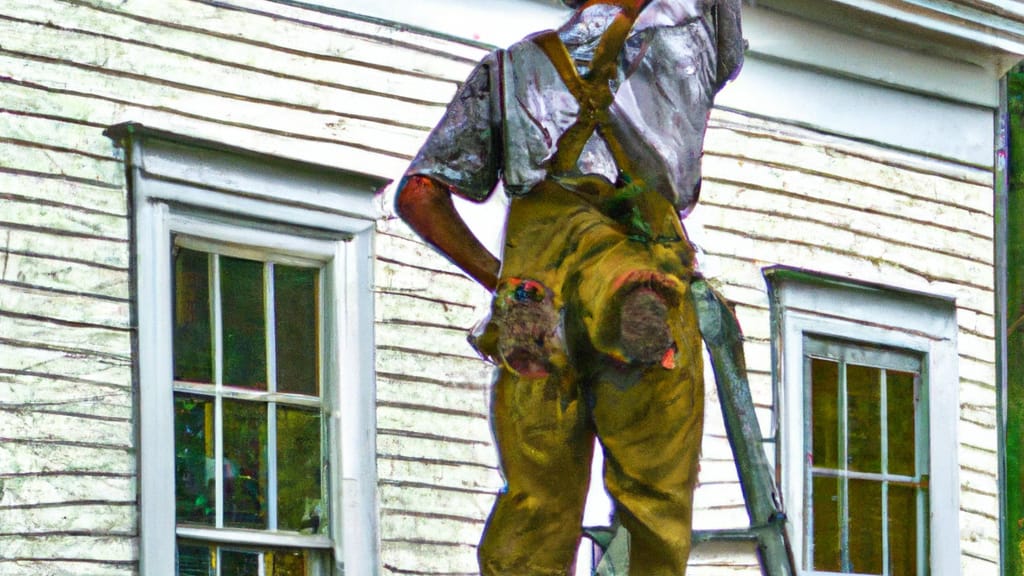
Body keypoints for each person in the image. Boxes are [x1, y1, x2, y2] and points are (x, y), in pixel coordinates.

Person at [395, 0, 743, 573]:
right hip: (644, 276)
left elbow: (417, 197)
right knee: (653, 508)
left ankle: (577, 299)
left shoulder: (508, 70)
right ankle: (628, 293)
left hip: (538, 299)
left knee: (535, 507)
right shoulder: (686, 45)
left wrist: (503, 284)